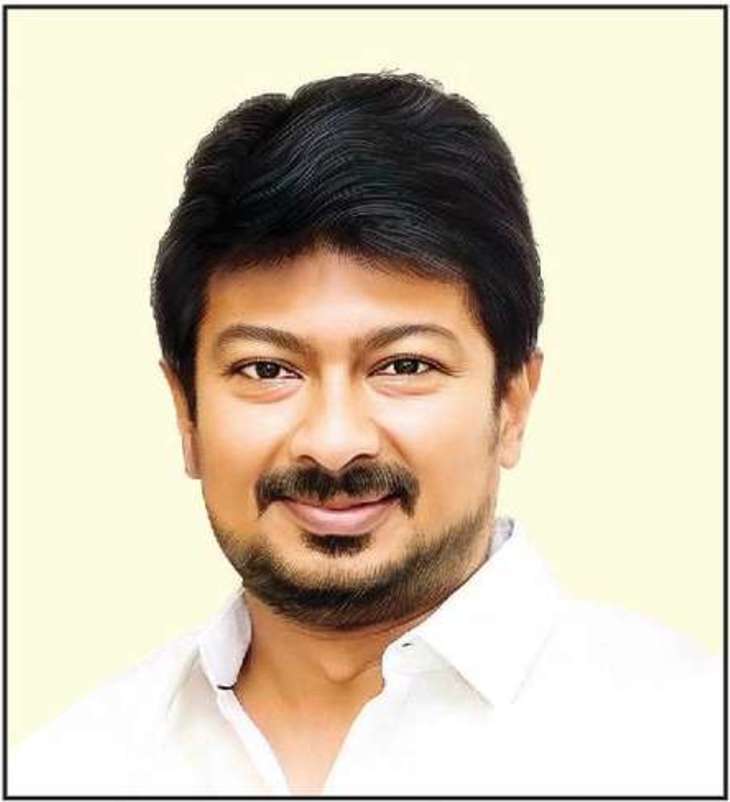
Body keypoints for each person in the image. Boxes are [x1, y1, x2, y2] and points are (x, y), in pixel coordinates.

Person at [10, 72, 721, 797]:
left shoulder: (690, 741)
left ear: (512, 401)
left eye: (404, 366)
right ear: (185, 413)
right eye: (266, 369)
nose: (333, 442)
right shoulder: (70, 770)